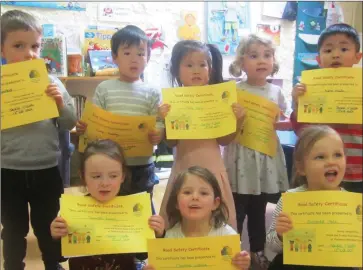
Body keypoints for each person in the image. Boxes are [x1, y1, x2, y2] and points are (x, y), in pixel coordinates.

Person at [1, 10, 77, 270]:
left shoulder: (52, 82)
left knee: (49, 226)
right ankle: (13, 265)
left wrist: (59, 103)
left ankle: (53, 264)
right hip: (8, 170)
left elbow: (70, 123)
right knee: (12, 228)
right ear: (2, 49)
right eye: (18, 46)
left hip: (46, 169)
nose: (29, 53)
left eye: (34, 45)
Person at [158, 40, 246, 230]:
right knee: (180, 218)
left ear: (210, 69)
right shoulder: (174, 102)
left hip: (212, 166)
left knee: (216, 220)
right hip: (184, 166)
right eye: (189, 65)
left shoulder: (217, 99)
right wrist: (166, 120)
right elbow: (172, 142)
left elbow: (224, 140)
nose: (196, 70)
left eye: (202, 65)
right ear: (176, 71)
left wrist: (238, 121)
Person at [76, 25, 164, 212]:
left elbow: (158, 122)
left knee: (141, 211)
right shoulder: (105, 88)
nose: (135, 59)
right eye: (127, 53)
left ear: (148, 57)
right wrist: (86, 128)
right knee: (109, 209)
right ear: (114, 57)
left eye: (141, 54)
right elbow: (95, 121)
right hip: (109, 166)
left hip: (142, 165)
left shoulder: (153, 91)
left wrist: (158, 134)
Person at [223, 33, 289, 270]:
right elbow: (224, 124)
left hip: (264, 160)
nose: (262, 60)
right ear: (241, 63)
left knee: (259, 211)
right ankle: (233, 253)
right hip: (240, 159)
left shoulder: (276, 92)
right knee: (236, 211)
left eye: (267, 55)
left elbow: (281, 119)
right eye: (254, 56)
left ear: (273, 61)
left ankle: (258, 253)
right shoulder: (233, 91)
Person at [50, 139, 165, 270]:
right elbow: (60, 257)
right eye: (96, 176)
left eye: (113, 176)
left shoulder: (133, 210)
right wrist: (56, 237)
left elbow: (142, 254)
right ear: (83, 176)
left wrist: (158, 234)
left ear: (122, 176)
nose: (105, 183)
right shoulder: (72, 212)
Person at [266, 125, 356, 270]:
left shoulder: (352, 204)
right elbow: (271, 245)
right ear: (301, 168)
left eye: (338, 155)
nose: (331, 161)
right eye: (320, 157)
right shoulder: (291, 199)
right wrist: (280, 235)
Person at [290, 23, 362, 194]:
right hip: (322, 171)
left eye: (344, 49)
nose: (335, 55)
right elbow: (302, 131)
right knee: (323, 212)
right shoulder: (309, 88)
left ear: (357, 57)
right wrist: (298, 102)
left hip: (358, 171)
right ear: (319, 59)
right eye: (328, 51)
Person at [144, 166, 251, 270]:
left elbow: (235, 265)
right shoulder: (170, 239)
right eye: (187, 192)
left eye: (203, 193)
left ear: (215, 203)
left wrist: (242, 264)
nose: (195, 197)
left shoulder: (227, 236)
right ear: (176, 202)